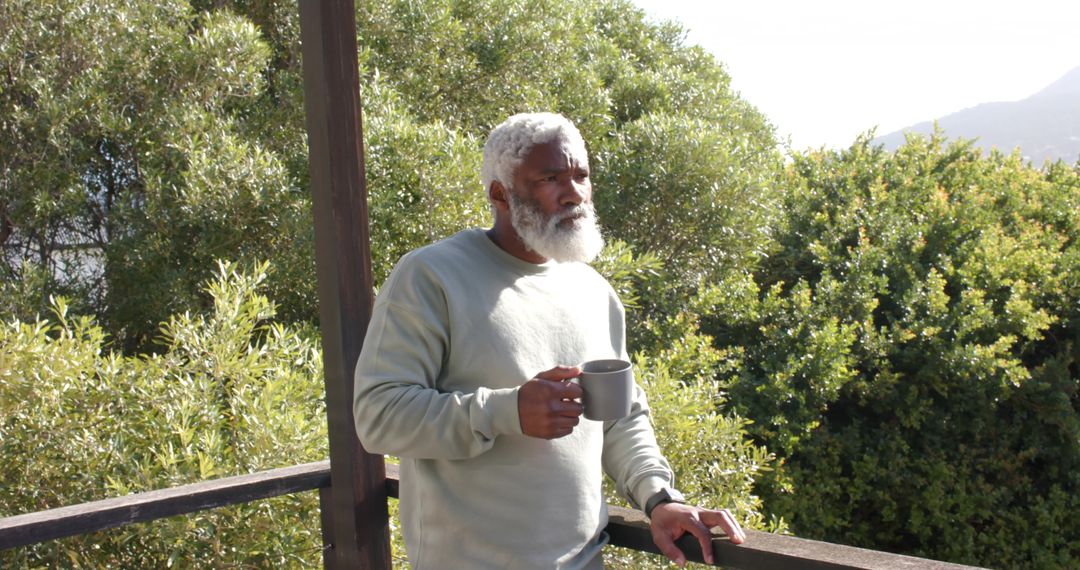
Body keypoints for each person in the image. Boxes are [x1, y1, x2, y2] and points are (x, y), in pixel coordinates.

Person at [353, 112, 745, 569]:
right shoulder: (431, 275)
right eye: (551, 178)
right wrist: (507, 411)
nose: (574, 192)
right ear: (500, 193)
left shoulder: (594, 291)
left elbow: (620, 417)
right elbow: (378, 415)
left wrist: (659, 498)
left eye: (581, 175)